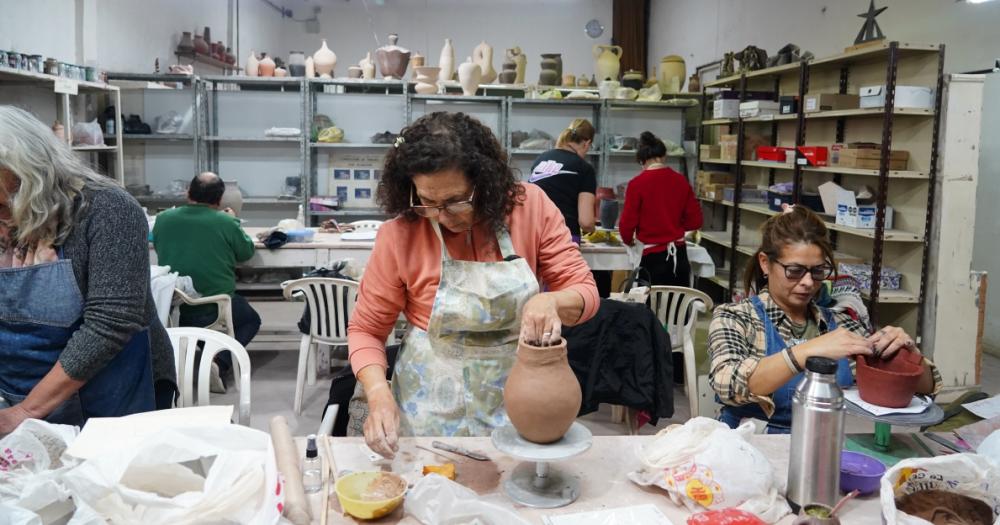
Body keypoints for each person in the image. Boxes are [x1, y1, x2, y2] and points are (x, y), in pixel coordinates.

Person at [346, 112, 599, 458]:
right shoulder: (400, 233)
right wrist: (378, 394)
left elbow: (584, 289)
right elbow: (366, 330)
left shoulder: (530, 207)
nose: (441, 215)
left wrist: (553, 302)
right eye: (427, 202)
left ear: (487, 181)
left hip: (520, 405)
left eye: (455, 201)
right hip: (428, 412)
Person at [0, 106, 169, 433]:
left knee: (107, 479)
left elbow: (110, 323)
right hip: (17, 392)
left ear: (31, 176)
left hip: (109, 394)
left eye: (3, 207)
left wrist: (25, 412)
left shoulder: (107, 210)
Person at [708, 206, 942, 434]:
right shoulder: (735, 317)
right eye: (795, 270)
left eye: (818, 271)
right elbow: (726, 382)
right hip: (749, 445)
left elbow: (926, 387)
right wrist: (806, 351)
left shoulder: (840, 323)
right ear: (765, 263)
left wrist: (906, 355)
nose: (808, 282)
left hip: (822, 446)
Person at [152, 172, 260, 391]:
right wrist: (233, 222)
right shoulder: (225, 222)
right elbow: (246, 252)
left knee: (205, 317)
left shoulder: (163, 219)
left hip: (173, 306)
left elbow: (156, 242)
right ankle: (219, 362)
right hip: (214, 307)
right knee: (250, 319)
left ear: (188, 193)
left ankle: (201, 351)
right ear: (220, 200)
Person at [619, 131, 703, 287]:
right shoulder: (681, 181)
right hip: (679, 256)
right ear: (664, 156)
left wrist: (628, 240)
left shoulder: (636, 184)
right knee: (676, 307)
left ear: (642, 161)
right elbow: (696, 221)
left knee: (648, 307)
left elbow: (627, 224)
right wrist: (673, 227)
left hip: (651, 258)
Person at [527, 118, 597, 243]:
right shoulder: (584, 168)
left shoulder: (540, 160)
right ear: (587, 143)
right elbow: (586, 222)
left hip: (532, 234)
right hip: (563, 236)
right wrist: (592, 229)